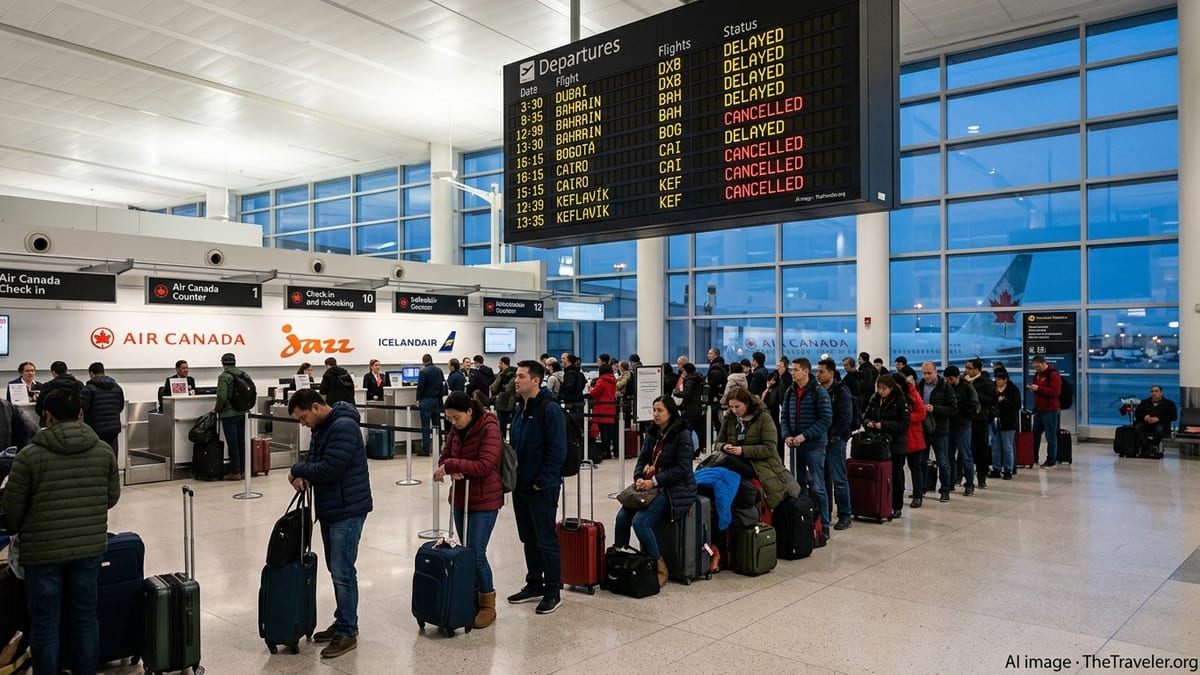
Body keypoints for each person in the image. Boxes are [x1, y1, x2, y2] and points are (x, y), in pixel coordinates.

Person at [2, 387, 120, 675]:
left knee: (45, 623)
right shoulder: (103, 450)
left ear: (48, 417)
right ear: (81, 414)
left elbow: (12, 512)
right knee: (84, 618)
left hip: (41, 553)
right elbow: (111, 497)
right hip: (89, 549)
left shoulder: (29, 457)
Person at [287, 388, 373, 659]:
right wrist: (302, 473)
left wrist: (297, 470)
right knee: (336, 570)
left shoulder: (344, 427)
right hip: (332, 508)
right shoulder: (322, 427)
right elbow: (314, 460)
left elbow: (329, 469)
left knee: (343, 572)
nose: (303, 423)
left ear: (315, 407)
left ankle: (347, 631)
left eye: (303, 418)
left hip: (348, 509)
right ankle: (343, 620)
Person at [434, 392, 503, 629]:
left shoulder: (489, 426)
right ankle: (471, 597)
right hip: (461, 498)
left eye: (456, 418)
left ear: (470, 412)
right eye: (450, 419)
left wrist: (452, 465)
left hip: (485, 500)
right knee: (465, 552)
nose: (453, 423)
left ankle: (487, 604)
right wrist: (449, 466)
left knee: (476, 553)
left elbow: (485, 465)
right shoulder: (456, 430)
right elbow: (444, 456)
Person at [614, 395, 696, 588]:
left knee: (641, 522)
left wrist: (655, 480)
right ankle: (619, 559)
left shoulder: (682, 434)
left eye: (660, 411)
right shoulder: (652, 433)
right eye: (654, 410)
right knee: (622, 518)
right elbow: (641, 460)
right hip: (650, 487)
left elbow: (683, 468)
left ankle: (658, 566)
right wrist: (639, 479)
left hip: (674, 489)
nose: (656, 415)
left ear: (670, 413)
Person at [506, 360, 567, 615]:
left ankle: (553, 590)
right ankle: (534, 583)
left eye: (521, 376)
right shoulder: (520, 407)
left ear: (535, 380)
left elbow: (557, 450)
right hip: (521, 485)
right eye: (516, 376)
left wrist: (542, 481)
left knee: (546, 540)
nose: (516, 380)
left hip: (542, 487)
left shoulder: (549, 408)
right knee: (528, 538)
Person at [780, 358, 832, 535]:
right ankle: (804, 521)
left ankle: (824, 524)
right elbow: (784, 416)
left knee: (818, 486)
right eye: (792, 370)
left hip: (814, 446)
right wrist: (786, 434)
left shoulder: (819, 392)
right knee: (798, 485)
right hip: (796, 446)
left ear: (805, 371)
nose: (792, 373)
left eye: (795, 370)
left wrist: (805, 435)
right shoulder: (790, 392)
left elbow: (825, 420)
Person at [714, 388, 787, 510]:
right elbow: (717, 443)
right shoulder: (730, 418)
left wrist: (743, 450)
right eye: (731, 407)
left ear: (747, 403)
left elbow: (769, 448)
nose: (734, 410)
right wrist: (723, 446)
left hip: (762, 464)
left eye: (737, 406)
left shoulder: (764, 418)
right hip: (737, 461)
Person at [862, 374, 910, 519]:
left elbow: (904, 424)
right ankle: (881, 503)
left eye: (884, 389)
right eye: (879, 388)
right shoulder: (874, 399)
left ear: (891, 388)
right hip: (878, 443)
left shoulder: (900, 400)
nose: (881, 391)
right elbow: (865, 415)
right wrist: (867, 422)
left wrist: (884, 425)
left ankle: (897, 505)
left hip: (896, 444)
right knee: (879, 474)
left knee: (896, 476)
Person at [816, 358, 853, 530]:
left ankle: (845, 514)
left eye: (821, 371)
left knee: (839, 478)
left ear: (831, 373)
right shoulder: (816, 391)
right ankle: (826, 512)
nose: (818, 374)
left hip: (835, 441)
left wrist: (831, 435)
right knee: (823, 479)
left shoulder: (841, 391)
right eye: (817, 371)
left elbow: (845, 417)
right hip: (819, 441)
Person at [917, 362, 958, 502]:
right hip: (923, 429)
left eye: (929, 373)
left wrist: (935, 409)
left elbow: (953, 409)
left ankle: (945, 490)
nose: (926, 376)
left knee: (943, 461)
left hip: (940, 429)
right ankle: (921, 488)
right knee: (921, 461)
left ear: (935, 372)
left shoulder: (946, 387)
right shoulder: (920, 385)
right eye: (924, 373)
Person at [942, 366, 977, 496]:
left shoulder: (967, 387)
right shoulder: (944, 387)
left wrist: (962, 411)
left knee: (966, 457)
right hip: (947, 426)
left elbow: (974, 406)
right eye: (946, 379)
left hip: (963, 427)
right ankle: (950, 483)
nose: (949, 381)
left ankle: (969, 484)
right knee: (948, 457)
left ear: (958, 377)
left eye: (951, 379)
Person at [215, 352, 249, 481]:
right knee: (241, 442)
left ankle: (235, 472)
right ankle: (244, 470)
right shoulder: (244, 374)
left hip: (229, 414)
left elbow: (222, 396)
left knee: (232, 443)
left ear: (223, 363)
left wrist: (217, 409)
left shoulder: (224, 376)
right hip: (243, 412)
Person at [965, 358, 998, 487]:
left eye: (970, 368)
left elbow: (992, 399)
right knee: (966, 449)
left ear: (977, 370)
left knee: (980, 449)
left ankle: (981, 476)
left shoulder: (985, 383)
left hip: (980, 420)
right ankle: (964, 477)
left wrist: (975, 394)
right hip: (966, 419)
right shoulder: (964, 382)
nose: (967, 371)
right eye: (966, 368)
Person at [80, 361, 125, 452]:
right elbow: (120, 407)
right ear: (103, 372)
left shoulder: (88, 389)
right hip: (113, 428)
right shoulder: (117, 387)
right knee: (112, 454)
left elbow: (83, 409)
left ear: (91, 374)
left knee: (97, 456)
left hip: (95, 429)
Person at [1028, 355, 1062, 468]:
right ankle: (1033, 457)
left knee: (1050, 436)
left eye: (1038, 366)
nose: (1036, 369)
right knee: (1035, 434)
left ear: (1043, 363)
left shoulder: (1053, 374)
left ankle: (1051, 459)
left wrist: (1039, 389)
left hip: (1050, 409)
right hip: (1039, 409)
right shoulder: (1037, 374)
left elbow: (1055, 392)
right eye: (1034, 367)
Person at [902, 375, 929, 508]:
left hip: (913, 436)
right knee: (898, 468)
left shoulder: (913, 394)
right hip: (899, 438)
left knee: (915, 468)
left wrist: (905, 417)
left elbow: (921, 413)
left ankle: (918, 495)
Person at [991, 369, 1019, 480]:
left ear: (1005, 380)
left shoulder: (1013, 390)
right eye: (996, 379)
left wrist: (1004, 401)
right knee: (995, 446)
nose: (997, 382)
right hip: (994, 421)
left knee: (1007, 447)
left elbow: (1016, 406)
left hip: (1008, 422)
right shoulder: (993, 389)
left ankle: (1008, 469)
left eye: (1000, 380)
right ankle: (996, 468)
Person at [672, 362, 706, 452]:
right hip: (697, 408)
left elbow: (686, 394)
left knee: (687, 430)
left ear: (686, 371)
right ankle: (701, 448)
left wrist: (676, 393)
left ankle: (689, 450)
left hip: (690, 409)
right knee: (698, 431)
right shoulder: (697, 378)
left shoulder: (690, 381)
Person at [416, 354, 445, 457]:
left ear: (424, 362)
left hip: (426, 400)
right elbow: (442, 385)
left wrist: (418, 399)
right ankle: (439, 447)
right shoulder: (439, 370)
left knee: (425, 426)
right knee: (437, 425)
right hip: (436, 400)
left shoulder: (423, 372)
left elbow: (420, 387)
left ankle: (426, 449)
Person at [1134, 385, 1177, 453]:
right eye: (1152, 391)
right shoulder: (1144, 402)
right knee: (1138, 427)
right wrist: (1144, 417)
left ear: (1161, 393)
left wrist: (1158, 418)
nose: (1154, 393)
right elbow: (1137, 414)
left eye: (1156, 391)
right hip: (1146, 423)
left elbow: (1173, 417)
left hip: (1161, 424)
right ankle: (1146, 446)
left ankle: (1154, 446)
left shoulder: (1169, 403)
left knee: (1159, 429)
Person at [590, 363, 618, 460]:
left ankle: (605, 452)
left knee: (603, 432)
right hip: (611, 407)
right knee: (610, 432)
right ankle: (609, 452)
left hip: (602, 408)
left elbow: (595, 393)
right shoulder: (614, 380)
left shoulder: (601, 381)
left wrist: (591, 389)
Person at [490, 356, 517, 440]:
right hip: (514, 400)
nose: (499, 365)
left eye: (500, 363)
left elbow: (494, 387)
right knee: (514, 422)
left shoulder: (502, 374)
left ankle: (503, 442)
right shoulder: (516, 372)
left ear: (502, 363)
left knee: (502, 424)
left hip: (502, 400)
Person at [706, 347, 728, 437]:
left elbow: (713, 384)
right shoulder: (717, 365)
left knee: (716, 421)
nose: (708, 356)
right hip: (717, 397)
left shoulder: (716, 368)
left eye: (710, 354)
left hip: (715, 399)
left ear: (716, 355)